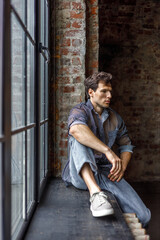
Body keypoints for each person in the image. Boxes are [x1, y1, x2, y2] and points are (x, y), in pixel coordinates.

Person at [62, 72, 151, 227]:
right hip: (81, 173)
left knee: (144, 216)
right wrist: (108, 151)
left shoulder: (116, 118)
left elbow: (126, 145)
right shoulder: (79, 111)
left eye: (110, 91)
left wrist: (122, 166)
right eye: (104, 91)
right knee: (79, 136)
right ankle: (95, 193)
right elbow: (76, 130)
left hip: (106, 172)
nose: (109, 95)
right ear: (91, 92)